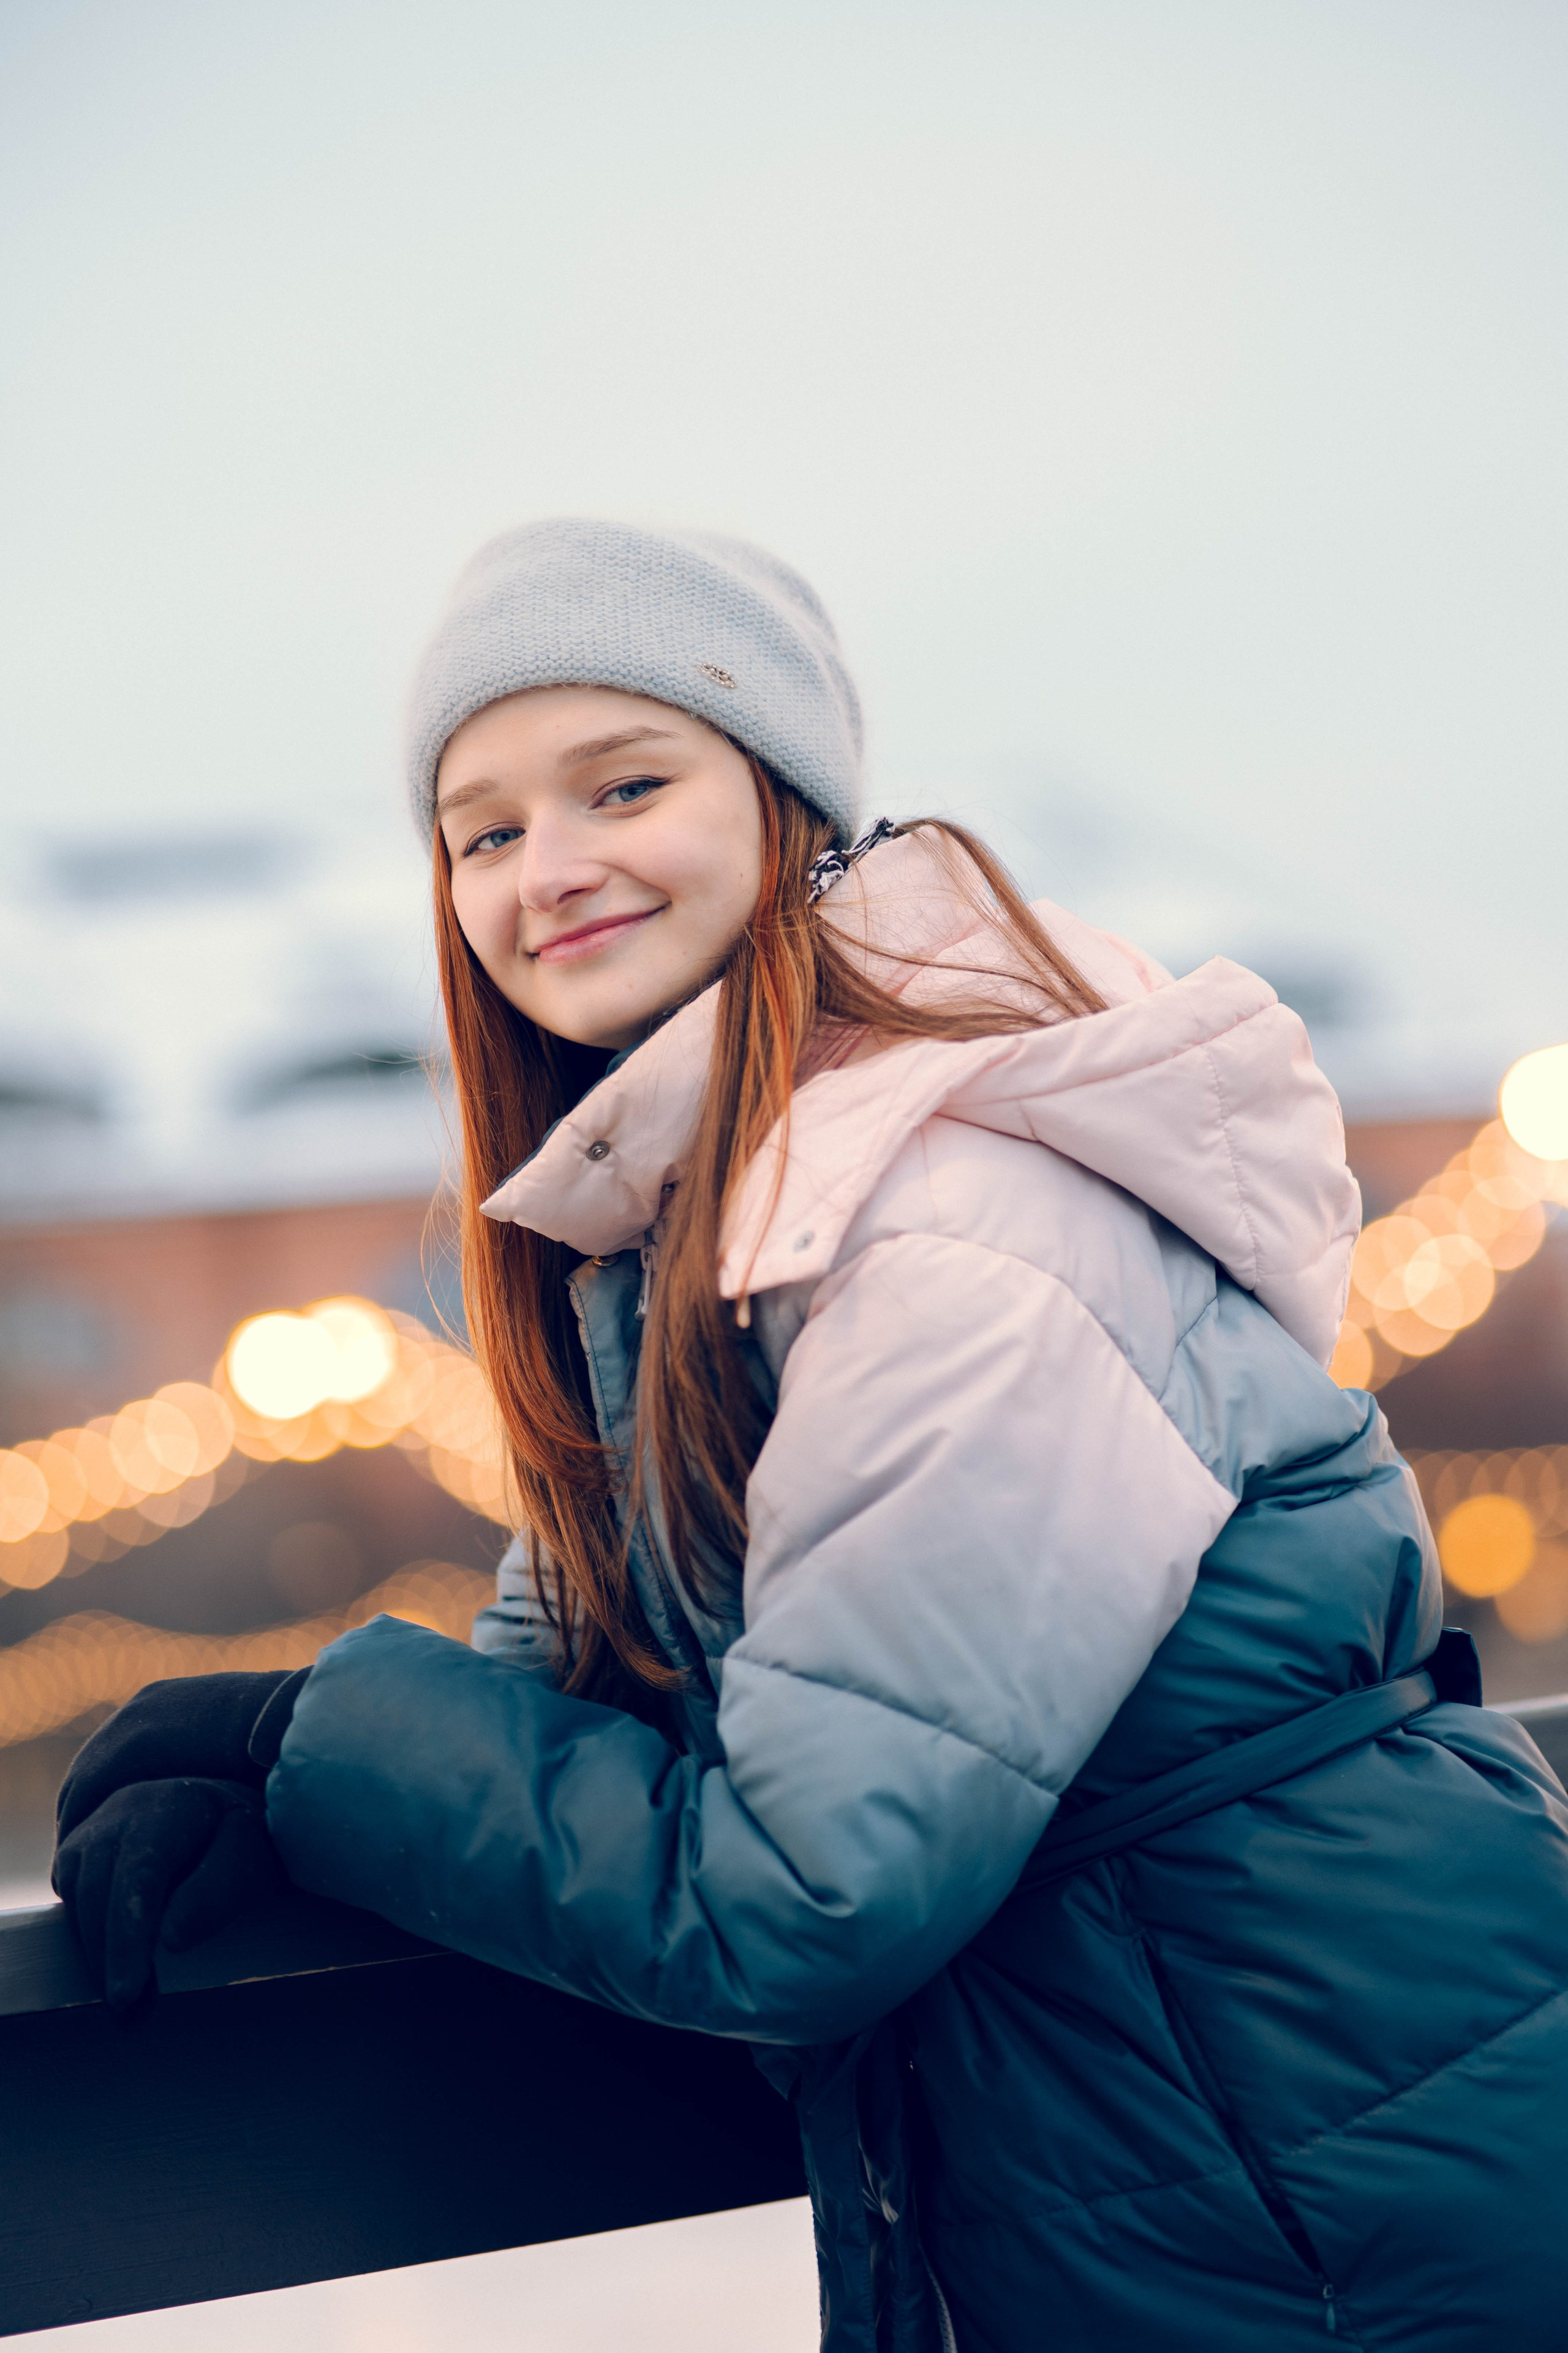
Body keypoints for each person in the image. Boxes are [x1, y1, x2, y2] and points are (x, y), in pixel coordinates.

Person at [54, 519, 1568, 2352]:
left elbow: (806, 1892)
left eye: (626, 781)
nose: (553, 868)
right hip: (1185, 2151)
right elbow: (590, 1690)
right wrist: (289, 1795)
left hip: (1326, 2188)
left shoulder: (954, 1220)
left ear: (788, 801)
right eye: (485, 829)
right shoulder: (698, 1234)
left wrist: (321, 1742)